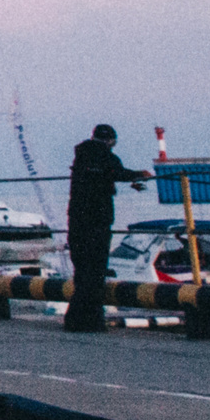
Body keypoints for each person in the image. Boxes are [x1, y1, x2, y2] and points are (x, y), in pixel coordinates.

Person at [64, 123, 150, 334]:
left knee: (82, 271)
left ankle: (75, 320)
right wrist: (138, 175)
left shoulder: (81, 156)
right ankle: (91, 321)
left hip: (76, 220)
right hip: (97, 221)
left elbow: (105, 174)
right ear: (111, 141)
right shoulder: (105, 156)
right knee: (95, 273)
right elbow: (114, 172)